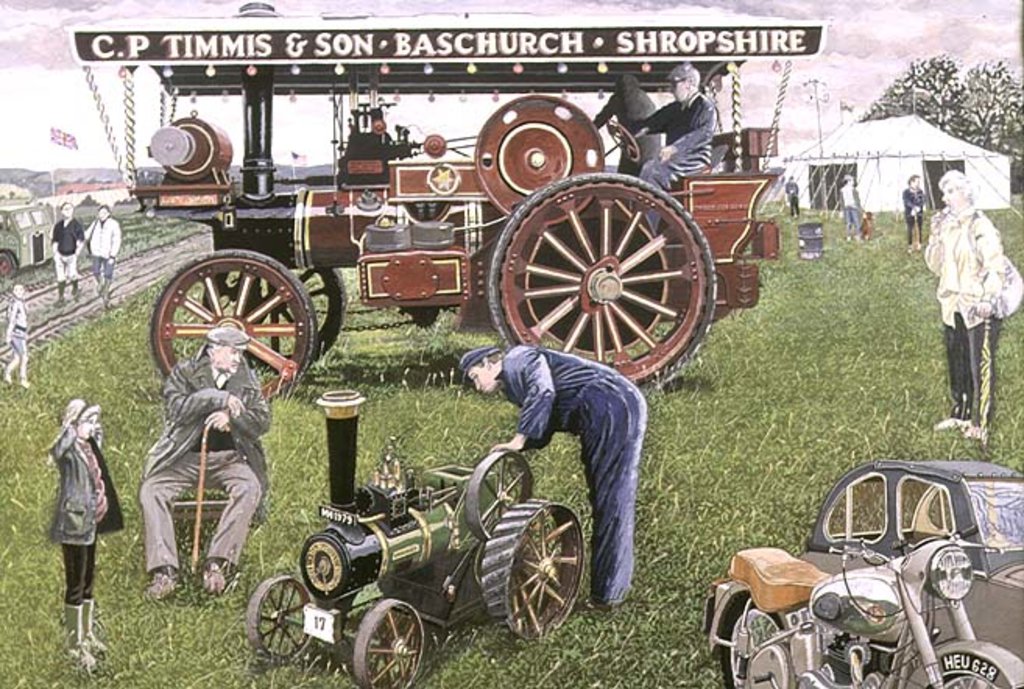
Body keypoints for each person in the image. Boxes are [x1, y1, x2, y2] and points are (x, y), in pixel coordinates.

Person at [460, 345, 648, 609]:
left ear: (489, 363)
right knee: (604, 497)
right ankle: (608, 590)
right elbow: (547, 414)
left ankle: (609, 595)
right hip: (601, 411)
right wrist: (522, 444)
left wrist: (518, 440)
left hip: (613, 405)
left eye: (475, 377)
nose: (477, 386)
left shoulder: (518, 359)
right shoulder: (513, 383)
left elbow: (544, 391)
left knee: (611, 499)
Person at [139, 325, 270, 599]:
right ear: (213, 351)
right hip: (185, 459)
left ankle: (217, 563)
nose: (238, 359)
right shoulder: (185, 373)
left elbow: (262, 421)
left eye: (240, 353)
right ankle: (165, 570)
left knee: (250, 488)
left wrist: (232, 420)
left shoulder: (245, 377)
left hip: (229, 460)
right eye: (233, 352)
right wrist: (217, 398)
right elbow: (176, 410)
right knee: (152, 490)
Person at [924, 170, 1007, 445]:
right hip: (951, 303)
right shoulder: (948, 226)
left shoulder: (980, 225)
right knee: (956, 361)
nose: (945, 198)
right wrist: (935, 236)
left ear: (964, 193)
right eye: (944, 193)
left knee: (978, 365)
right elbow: (935, 265)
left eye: (950, 192)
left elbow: (995, 266)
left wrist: (988, 298)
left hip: (976, 304)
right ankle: (959, 413)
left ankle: (980, 423)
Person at [49, 400, 123, 673]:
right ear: (74, 424)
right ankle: (74, 643)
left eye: (94, 422)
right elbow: (57, 450)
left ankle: (87, 633)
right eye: (87, 422)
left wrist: (92, 429)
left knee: (88, 580)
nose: (92, 427)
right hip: (74, 521)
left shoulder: (90, 449)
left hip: (91, 521)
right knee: (75, 583)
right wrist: (69, 428)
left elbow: (97, 449)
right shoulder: (69, 450)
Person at [633, 62, 717, 190]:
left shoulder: (706, 107)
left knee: (653, 171)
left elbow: (700, 135)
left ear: (688, 83)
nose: (671, 89)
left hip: (694, 160)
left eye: (674, 84)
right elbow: (654, 122)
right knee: (648, 167)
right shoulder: (675, 108)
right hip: (676, 159)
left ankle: (653, 208)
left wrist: (674, 148)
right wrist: (635, 132)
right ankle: (647, 206)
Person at [593, 74, 659, 176]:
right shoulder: (640, 98)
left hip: (642, 146)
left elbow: (602, 118)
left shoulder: (622, 99)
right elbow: (603, 118)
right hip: (638, 146)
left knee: (631, 174)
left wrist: (592, 129)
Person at [86, 205, 121, 307]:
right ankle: (101, 284)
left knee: (108, 273)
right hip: (96, 252)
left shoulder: (114, 224)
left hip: (108, 253)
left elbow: (116, 240)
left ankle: (106, 292)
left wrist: (113, 255)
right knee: (96, 271)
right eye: (100, 213)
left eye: (104, 213)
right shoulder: (95, 223)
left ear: (108, 214)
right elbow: (87, 235)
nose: (101, 215)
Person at [51, 201, 85, 304]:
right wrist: (55, 254)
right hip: (60, 255)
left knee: (72, 275)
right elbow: (55, 240)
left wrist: (77, 252)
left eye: (70, 209)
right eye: (66, 209)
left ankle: (75, 289)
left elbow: (81, 240)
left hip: (71, 255)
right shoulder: (58, 226)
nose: (68, 211)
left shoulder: (76, 225)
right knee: (61, 278)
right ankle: (61, 297)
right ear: (61, 211)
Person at [4, 283, 29, 388]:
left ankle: (7, 374)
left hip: (20, 333)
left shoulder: (20, 303)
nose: (19, 292)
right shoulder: (16, 304)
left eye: (21, 290)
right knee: (24, 357)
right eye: (16, 290)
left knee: (17, 358)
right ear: (13, 292)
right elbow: (12, 320)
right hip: (17, 333)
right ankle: (23, 379)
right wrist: (8, 334)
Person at [903, 175, 926, 252]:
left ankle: (919, 244)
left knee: (919, 228)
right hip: (910, 213)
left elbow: (922, 200)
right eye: (917, 182)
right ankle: (910, 245)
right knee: (910, 229)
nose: (918, 183)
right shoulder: (906, 192)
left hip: (919, 213)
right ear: (911, 182)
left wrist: (919, 207)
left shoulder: (920, 191)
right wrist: (913, 208)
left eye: (919, 182)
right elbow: (906, 201)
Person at [840, 175, 862, 241]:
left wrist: (841, 210)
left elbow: (842, 201)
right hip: (853, 207)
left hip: (847, 207)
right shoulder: (853, 190)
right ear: (848, 181)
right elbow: (857, 200)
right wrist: (859, 208)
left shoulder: (842, 190)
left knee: (848, 223)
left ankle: (848, 237)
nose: (853, 182)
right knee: (856, 222)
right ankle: (857, 236)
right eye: (852, 180)